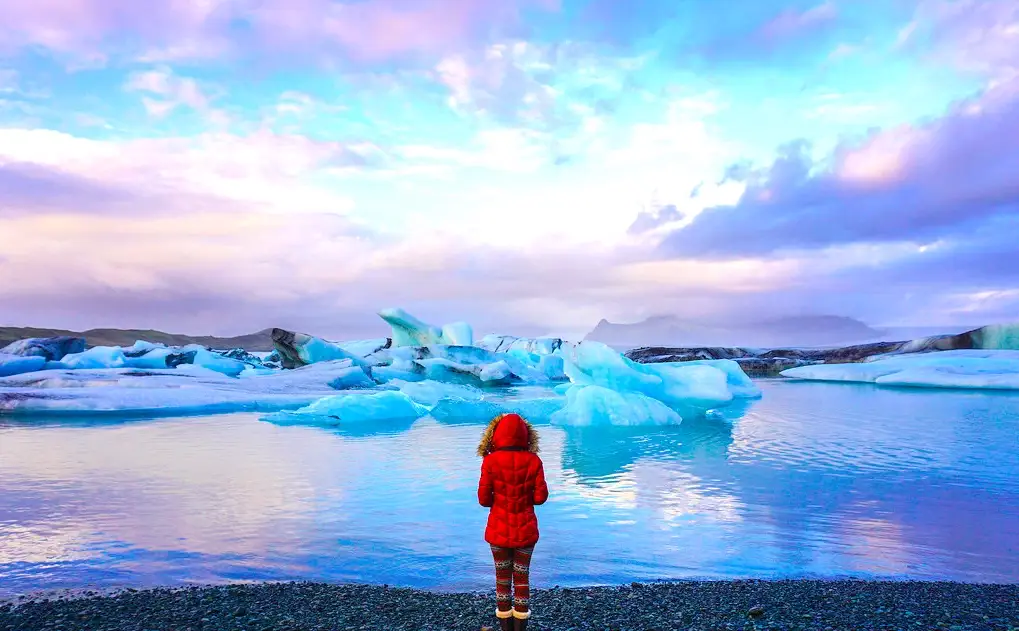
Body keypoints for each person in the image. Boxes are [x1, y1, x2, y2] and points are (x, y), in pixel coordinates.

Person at [477, 412, 549, 631]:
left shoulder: (490, 461)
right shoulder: (534, 460)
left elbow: (483, 500)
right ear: (526, 436)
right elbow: (540, 498)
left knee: (502, 579)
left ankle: (505, 627)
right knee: (521, 579)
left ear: (495, 436)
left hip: (498, 531)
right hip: (526, 532)